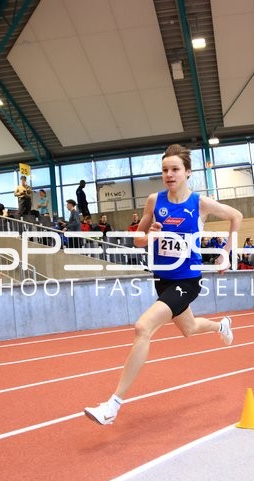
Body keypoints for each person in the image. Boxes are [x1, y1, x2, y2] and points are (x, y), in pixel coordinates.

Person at [84, 143, 243, 425]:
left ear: (187, 173)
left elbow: (236, 216)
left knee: (143, 327)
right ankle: (222, 326)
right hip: (163, 279)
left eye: (175, 169)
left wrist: (226, 253)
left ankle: (112, 405)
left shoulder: (200, 203)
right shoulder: (154, 201)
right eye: (165, 170)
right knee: (190, 329)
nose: (169, 175)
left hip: (188, 279)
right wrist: (151, 235)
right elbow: (137, 240)